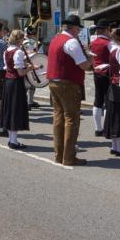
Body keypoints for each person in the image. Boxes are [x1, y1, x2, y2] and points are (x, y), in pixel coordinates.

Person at [47, 14, 93, 166]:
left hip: (54, 81)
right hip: (68, 83)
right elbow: (84, 65)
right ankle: (69, 156)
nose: (79, 32)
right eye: (78, 29)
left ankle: (59, 154)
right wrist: (91, 59)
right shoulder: (71, 42)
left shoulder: (55, 39)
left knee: (59, 118)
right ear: (73, 28)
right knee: (72, 119)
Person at [1, 29, 32, 149]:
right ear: (19, 39)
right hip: (16, 83)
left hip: (8, 82)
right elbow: (20, 72)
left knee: (10, 110)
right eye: (22, 38)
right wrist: (30, 68)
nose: (23, 40)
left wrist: (25, 65)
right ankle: (13, 142)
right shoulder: (18, 52)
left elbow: (8, 67)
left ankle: (12, 140)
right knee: (15, 110)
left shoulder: (6, 51)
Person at [103, 28, 120, 157]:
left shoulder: (113, 49)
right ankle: (119, 148)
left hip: (113, 85)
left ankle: (115, 146)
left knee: (115, 115)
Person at [90, 19, 112, 137]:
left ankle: (98, 128)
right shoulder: (108, 43)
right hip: (107, 73)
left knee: (98, 100)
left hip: (96, 72)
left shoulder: (93, 42)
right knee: (108, 101)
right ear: (106, 30)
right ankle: (106, 127)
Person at [22, 26, 39, 107]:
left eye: (33, 34)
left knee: (33, 83)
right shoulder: (24, 42)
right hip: (26, 64)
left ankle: (30, 101)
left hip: (33, 63)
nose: (32, 35)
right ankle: (25, 103)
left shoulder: (34, 41)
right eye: (30, 34)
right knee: (26, 85)